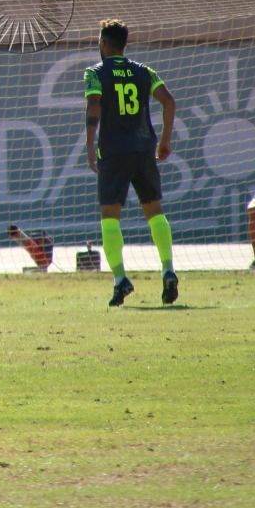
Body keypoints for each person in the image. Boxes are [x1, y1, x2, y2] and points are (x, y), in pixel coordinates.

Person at [84, 19, 178, 307]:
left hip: (113, 151)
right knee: (154, 211)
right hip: (144, 148)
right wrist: (164, 141)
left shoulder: (95, 73)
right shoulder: (144, 71)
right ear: (124, 44)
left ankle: (120, 279)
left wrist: (90, 145)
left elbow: (93, 107)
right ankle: (167, 269)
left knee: (110, 216)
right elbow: (169, 102)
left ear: (103, 42)